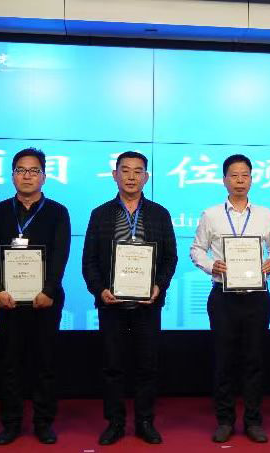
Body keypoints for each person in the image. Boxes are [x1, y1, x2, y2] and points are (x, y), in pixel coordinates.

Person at [83, 151, 178, 446]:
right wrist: (100, 290)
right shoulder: (100, 214)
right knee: (112, 366)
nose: (131, 176)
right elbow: (89, 260)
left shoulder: (159, 214)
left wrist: (159, 286)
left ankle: (145, 422)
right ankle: (114, 423)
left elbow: (170, 258)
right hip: (111, 304)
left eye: (138, 171)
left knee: (147, 366)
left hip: (147, 304)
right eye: (125, 170)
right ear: (115, 175)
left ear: (146, 177)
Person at [189, 154, 270, 444]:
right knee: (224, 360)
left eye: (245, 175)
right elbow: (196, 250)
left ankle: (253, 421)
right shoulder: (211, 214)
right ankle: (225, 420)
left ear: (251, 180)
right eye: (234, 175)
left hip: (257, 297)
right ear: (224, 180)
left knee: (255, 360)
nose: (240, 181)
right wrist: (211, 265)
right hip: (223, 297)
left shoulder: (265, 214)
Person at [0, 148, 71, 445]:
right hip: (8, 300)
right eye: (21, 170)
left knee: (45, 363)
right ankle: (10, 423)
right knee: (9, 363)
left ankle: (43, 422)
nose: (27, 176)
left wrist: (49, 291)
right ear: (12, 176)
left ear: (44, 176)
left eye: (34, 171)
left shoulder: (58, 212)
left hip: (45, 301)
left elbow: (61, 255)